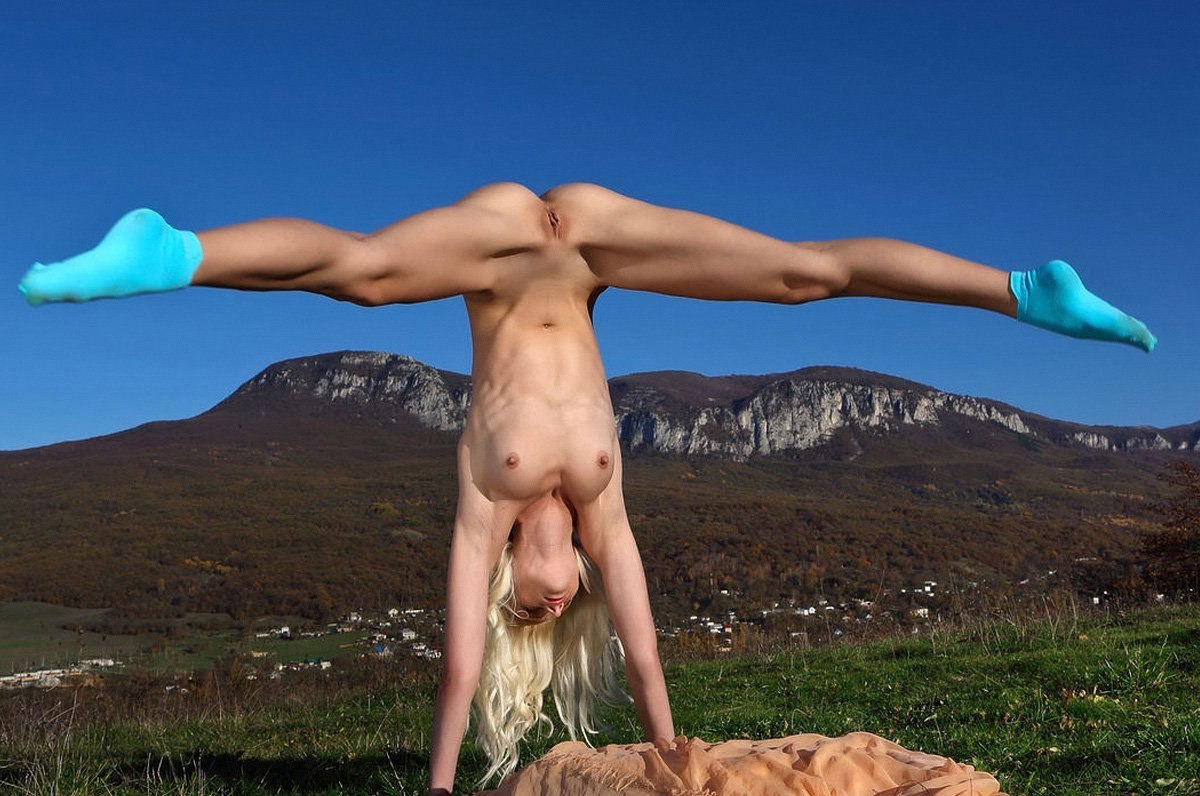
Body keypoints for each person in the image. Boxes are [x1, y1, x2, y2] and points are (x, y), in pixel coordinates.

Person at [17, 182, 1157, 793]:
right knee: (801, 279)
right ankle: (1028, 291)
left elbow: (460, 668)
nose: (554, 602)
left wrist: (436, 788)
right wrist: (677, 761)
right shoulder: (605, 514)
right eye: (555, 613)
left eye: (532, 606)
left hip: (509, 241)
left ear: (513, 571)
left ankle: (174, 250)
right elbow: (648, 654)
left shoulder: (483, 501)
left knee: (363, 274)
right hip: (593, 243)